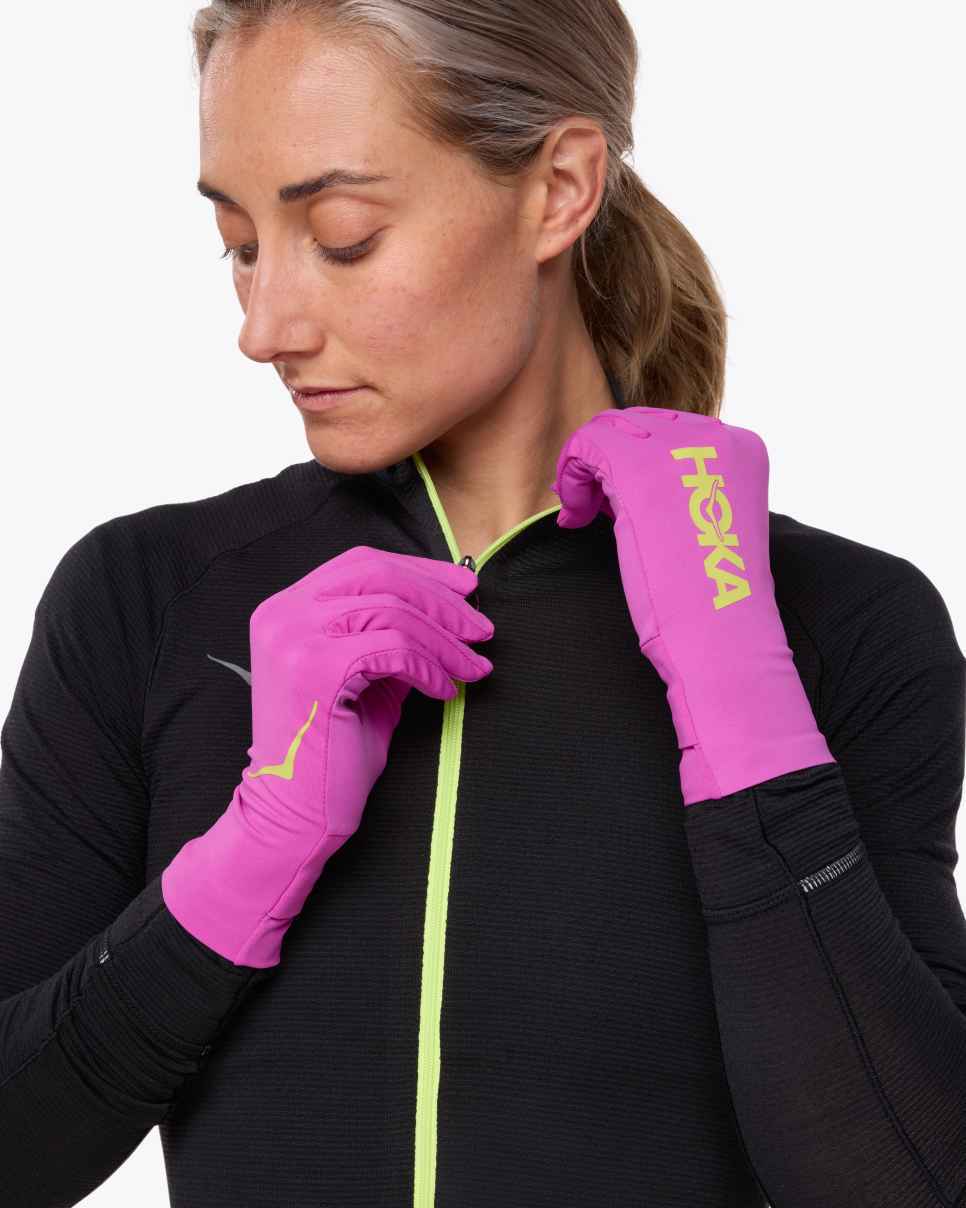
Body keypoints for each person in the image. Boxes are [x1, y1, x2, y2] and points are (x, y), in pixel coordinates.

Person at [1, 2, 964, 1206]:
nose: (263, 326)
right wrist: (250, 852)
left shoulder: (840, 618)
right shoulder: (145, 597)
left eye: (342, 236)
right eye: (240, 244)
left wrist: (746, 707)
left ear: (558, 190)